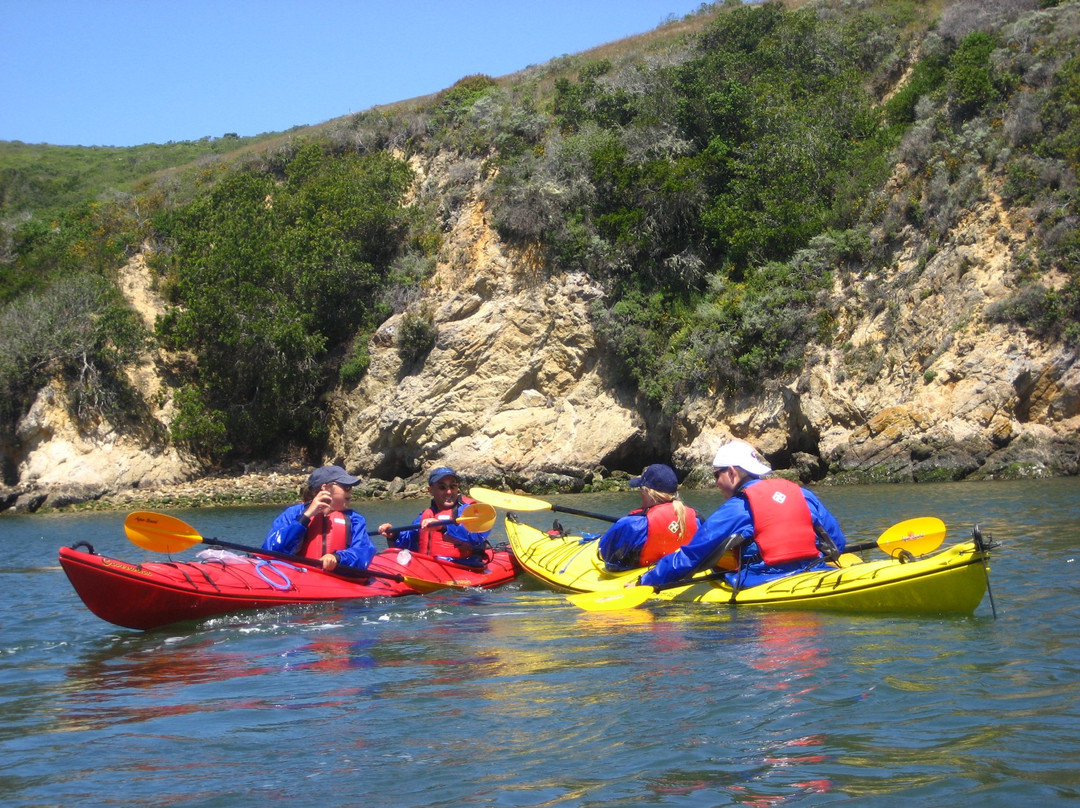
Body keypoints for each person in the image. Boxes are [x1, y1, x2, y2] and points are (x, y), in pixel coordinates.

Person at [637, 440, 847, 590]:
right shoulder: (803, 493)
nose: (716, 483)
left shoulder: (737, 508)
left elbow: (691, 556)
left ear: (731, 472)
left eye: (716, 475)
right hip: (815, 570)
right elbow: (837, 542)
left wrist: (647, 579)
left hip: (762, 581)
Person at [263, 464, 377, 572]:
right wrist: (306, 517)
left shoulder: (355, 519)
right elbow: (271, 550)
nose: (350, 490)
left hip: (338, 579)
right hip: (298, 576)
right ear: (325, 488)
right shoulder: (293, 513)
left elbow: (363, 551)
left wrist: (337, 557)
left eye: (351, 487)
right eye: (346, 487)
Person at [598, 464, 701, 571]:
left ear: (647, 492)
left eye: (641, 490)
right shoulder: (697, 519)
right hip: (684, 572)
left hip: (642, 576)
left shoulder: (633, 524)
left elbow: (604, 553)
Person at [379, 467, 491, 565]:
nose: (449, 492)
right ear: (431, 490)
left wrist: (442, 528)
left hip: (463, 566)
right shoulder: (427, 514)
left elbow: (475, 538)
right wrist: (394, 535)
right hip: (429, 567)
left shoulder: (470, 511)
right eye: (442, 487)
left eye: (453, 486)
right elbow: (410, 540)